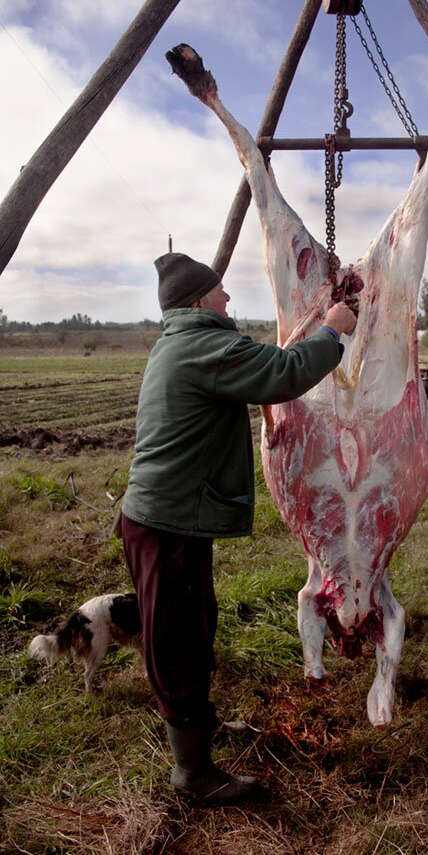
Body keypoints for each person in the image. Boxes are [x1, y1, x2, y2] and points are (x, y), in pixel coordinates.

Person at [121, 252, 356, 805]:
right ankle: (194, 776)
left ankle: (198, 730)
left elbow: (256, 376)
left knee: (195, 626)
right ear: (200, 300)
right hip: (166, 522)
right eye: (221, 292)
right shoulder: (204, 344)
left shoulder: (183, 343)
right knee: (178, 641)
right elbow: (282, 373)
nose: (229, 300)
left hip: (169, 518)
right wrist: (332, 332)